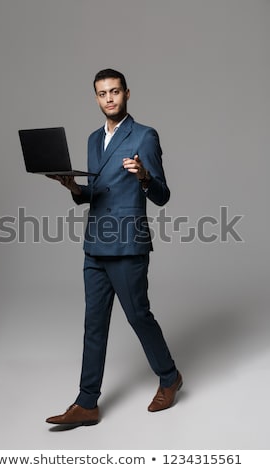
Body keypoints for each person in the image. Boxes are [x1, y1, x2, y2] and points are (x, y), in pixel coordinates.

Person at [46, 69, 182, 427]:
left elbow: (162, 195)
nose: (109, 98)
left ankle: (169, 377)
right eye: (102, 93)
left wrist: (144, 176)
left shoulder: (144, 136)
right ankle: (87, 402)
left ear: (127, 94)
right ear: (96, 98)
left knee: (138, 316)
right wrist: (74, 187)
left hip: (127, 243)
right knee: (94, 324)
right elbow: (98, 193)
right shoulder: (93, 139)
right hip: (95, 244)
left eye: (115, 91)